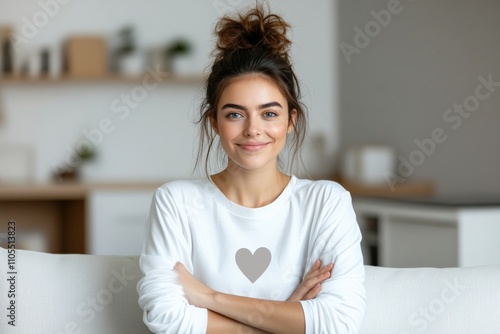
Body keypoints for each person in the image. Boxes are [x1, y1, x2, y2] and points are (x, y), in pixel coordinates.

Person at [137, 4, 366, 333]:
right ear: (214, 122)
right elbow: (165, 319)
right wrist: (284, 317)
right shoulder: (176, 202)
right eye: (234, 114)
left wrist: (209, 297)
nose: (252, 129)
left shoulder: (326, 202)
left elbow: (339, 323)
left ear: (291, 120)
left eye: (269, 113)